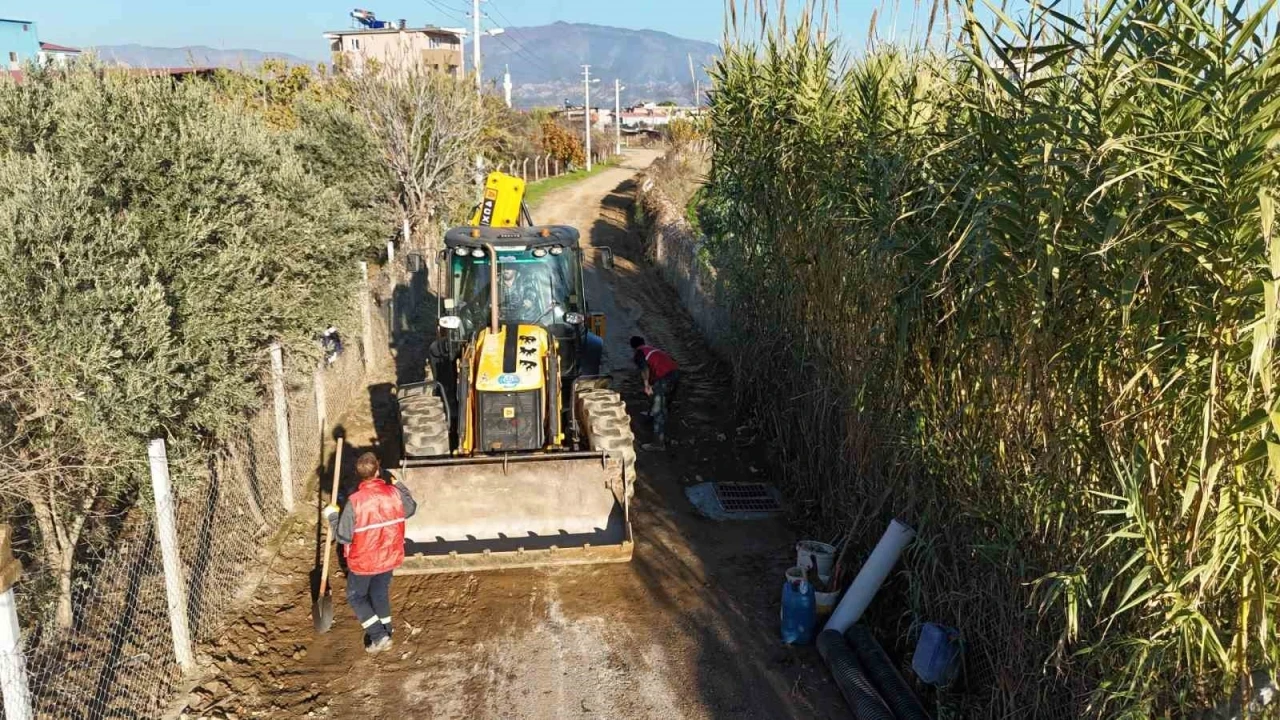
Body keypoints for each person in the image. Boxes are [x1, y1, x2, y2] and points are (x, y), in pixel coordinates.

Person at [323, 452, 417, 654]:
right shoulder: (394, 493)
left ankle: (379, 635)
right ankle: (387, 632)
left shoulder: (354, 501)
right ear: (378, 469)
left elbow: (343, 537)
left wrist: (332, 516)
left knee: (356, 597)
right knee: (379, 594)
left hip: (364, 562)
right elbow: (410, 509)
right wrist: (398, 484)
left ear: (359, 474)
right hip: (390, 556)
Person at [630, 336, 680, 451]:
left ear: (633, 347)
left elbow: (644, 369)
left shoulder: (639, 353)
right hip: (675, 374)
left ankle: (658, 443)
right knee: (663, 403)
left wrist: (646, 384)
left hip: (665, 378)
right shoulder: (652, 350)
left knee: (659, 409)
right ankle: (654, 419)